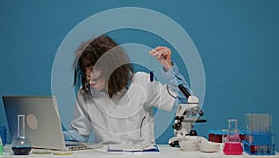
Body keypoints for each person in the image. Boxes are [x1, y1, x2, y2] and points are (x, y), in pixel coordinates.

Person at [63, 35, 192, 146]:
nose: (89, 80)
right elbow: (80, 134)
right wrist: (50, 136)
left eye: (93, 70)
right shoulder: (85, 93)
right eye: (86, 72)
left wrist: (168, 67)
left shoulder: (142, 82)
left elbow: (184, 100)